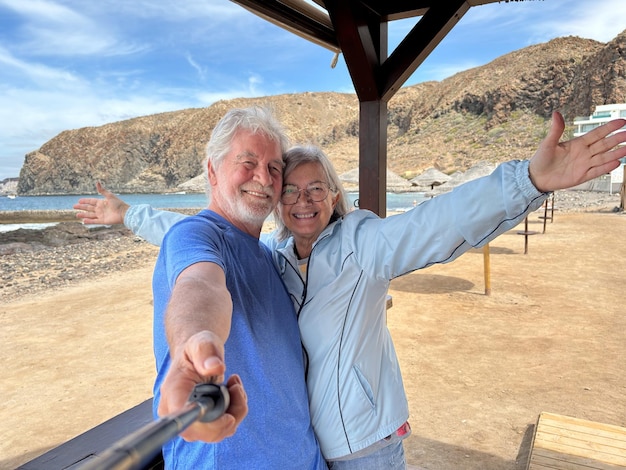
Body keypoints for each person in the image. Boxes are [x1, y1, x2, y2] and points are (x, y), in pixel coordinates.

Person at [75, 111, 626, 469]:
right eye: (274, 178)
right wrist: (194, 337)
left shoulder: (349, 246)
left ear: (335, 195)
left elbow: (432, 224)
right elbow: (196, 275)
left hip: (355, 450)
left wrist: (526, 181)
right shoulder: (258, 253)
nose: (279, 187)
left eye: (312, 184)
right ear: (215, 171)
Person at [91, 106, 326, 469]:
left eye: (274, 168)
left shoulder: (267, 256)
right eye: (247, 162)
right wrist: (194, 345)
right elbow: (200, 287)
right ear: (212, 170)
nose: (263, 178)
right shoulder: (195, 234)